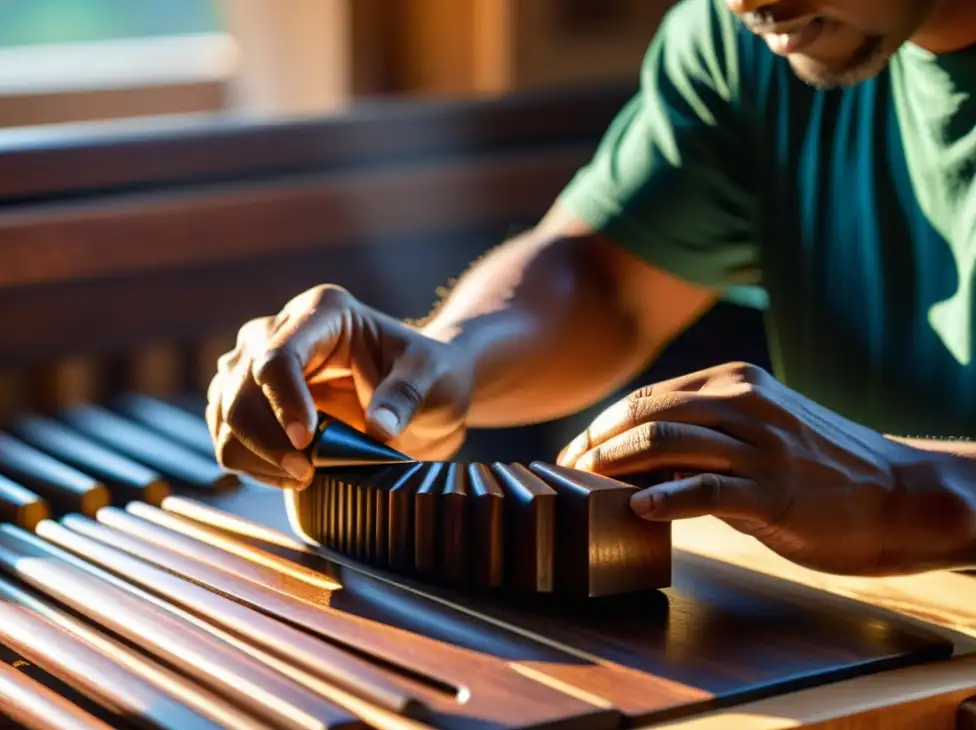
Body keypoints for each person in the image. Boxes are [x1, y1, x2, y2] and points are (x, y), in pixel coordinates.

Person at [206, 0, 976, 578]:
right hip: (880, 639)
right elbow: (604, 278)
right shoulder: (746, 44)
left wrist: (924, 492)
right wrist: (443, 360)